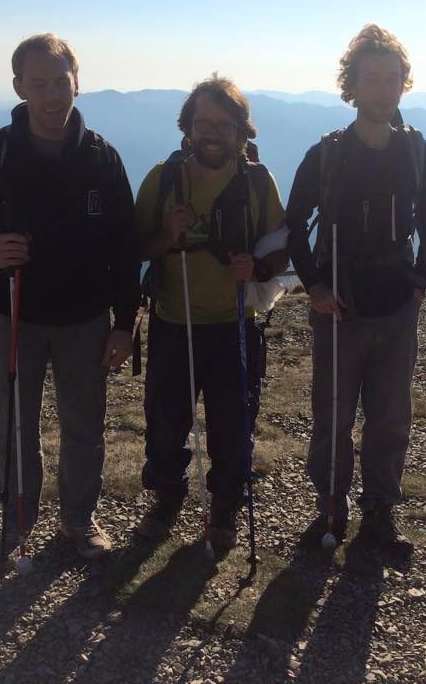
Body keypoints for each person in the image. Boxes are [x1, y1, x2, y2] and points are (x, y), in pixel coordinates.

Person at [0, 33, 141, 562]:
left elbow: (126, 247)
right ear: (19, 87)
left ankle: (79, 520)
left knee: (85, 426)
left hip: (85, 319)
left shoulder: (102, 157)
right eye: (40, 85)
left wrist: (126, 324)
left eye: (61, 82)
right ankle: (18, 523)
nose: (53, 96)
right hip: (15, 314)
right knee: (14, 425)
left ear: (78, 82)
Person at [286, 24, 426, 556]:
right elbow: (293, 222)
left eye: (392, 78)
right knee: (332, 414)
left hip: (397, 304)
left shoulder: (417, 152)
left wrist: (421, 282)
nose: (383, 88)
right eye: (371, 78)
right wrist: (313, 286)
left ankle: (378, 510)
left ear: (404, 83)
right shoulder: (328, 155)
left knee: (390, 416)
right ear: (351, 85)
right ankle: (331, 503)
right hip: (340, 305)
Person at [135, 75, 287, 549]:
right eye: (203, 123)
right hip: (171, 320)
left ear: (242, 132)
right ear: (188, 128)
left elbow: (281, 248)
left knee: (232, 426)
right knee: (165, 421)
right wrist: (166, 236)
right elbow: (134, 247)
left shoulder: (257, 183)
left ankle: (223, 510)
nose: (212, 133)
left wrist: (257, 267)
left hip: (232, 323)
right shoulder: (163, 180)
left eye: (223, 124)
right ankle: (167, 500)